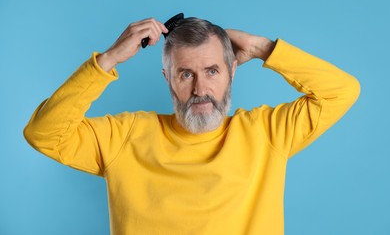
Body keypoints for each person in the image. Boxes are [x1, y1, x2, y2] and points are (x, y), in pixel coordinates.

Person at [24, 16, 360, 235]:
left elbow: (342, 91)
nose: (200, 90)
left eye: (212, 71)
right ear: (167, 79)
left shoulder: (266, 132)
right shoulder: (125, 137)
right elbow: (43, 133)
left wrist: (263, 48)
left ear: (231, 72)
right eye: (186, 74)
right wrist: (108, 59)